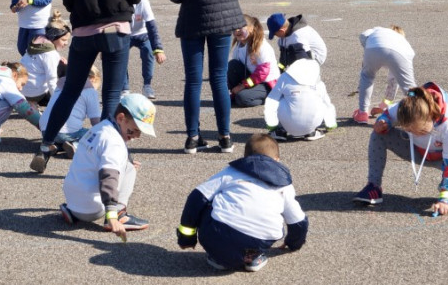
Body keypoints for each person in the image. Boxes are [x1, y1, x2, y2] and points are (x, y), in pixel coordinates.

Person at [30, 0, 143, 173]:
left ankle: (45, 145)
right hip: (116, 28)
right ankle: (114, 157)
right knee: (111, 95)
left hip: (83, 31)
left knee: (69, 92)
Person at [168, 0, 249, 154]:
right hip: (223, 22)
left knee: (193, 80)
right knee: (218, 78)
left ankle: (192, 138)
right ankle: (225, 137)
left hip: (193, 21)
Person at [176, 133, 307, 272]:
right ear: (277, 160)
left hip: (218, 234)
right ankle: (253, 257)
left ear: (246, 157)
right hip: (260, 239)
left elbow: (196, 198)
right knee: (268, 225)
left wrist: (186, 238)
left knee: (209, 201)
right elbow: (298, 221)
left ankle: (218, 257)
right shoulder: (284, 186)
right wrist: (294, 243)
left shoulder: (231, 172)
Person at [353, 82, 448, 217]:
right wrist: (383, 122)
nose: (415, 133)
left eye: (420, 130)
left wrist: (445, 199)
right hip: (417, 150)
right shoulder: (406, 107)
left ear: (430, 115)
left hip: (445, 158)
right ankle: (373, 186)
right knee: (378, 134)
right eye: (408, 130)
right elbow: (387, 114)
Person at [58, 93, 157, 241]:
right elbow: (108, 176)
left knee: (125, 164)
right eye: (135, 130)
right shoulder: (115, 142)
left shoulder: (99, 128)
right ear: (121, 118)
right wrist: (111, 215)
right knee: (129, 169)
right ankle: (120, 214)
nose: (137, 136)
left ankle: (73, 211)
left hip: (73, 199)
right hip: (94, 208)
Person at [353, 25, 416, 124]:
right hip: (401, 54)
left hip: (374, 47)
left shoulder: (378, 30)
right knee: (410, 89)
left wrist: (367, 50)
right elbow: (393, 82)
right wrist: (383, 106)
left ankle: (363, 113)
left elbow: (363, 35)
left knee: (367, 76)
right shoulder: (406, 46)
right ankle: (418, 112)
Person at [264, 58, 337, 141]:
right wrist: (330, 123)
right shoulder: (317, 80)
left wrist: (271, 123)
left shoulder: (285, 77)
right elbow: (326, 103)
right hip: (312, 124)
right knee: (320, 99)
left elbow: (272, 99)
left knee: (279, 97)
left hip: (288, 125)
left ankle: (280, 131)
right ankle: (311, 132)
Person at [40, 66, 102, 157]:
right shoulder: (90, 91)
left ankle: (55, 146)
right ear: (93, 79)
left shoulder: (61, 85)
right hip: (67, 132)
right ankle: (75, 145)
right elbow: (95, 122)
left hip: (46, 130)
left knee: (62, 136)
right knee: (93, 136)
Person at [20, 10, 71, 106]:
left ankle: (30, 103)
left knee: (60, 64)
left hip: (23, 90)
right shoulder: (50, 54)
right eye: (63, 40)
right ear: (54, 37)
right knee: (65, 69)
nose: (66, 43)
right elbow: (51, 79)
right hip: (36, 93)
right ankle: (41, 101)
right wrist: (57, 101)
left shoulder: (37, 43)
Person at [228, 14, 279, 108]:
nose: (236, 31)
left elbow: (263, 73)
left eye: (240, 28)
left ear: (251, 28)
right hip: (252, 79)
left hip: (266, 84)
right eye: (234, 28)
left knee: (242, 98)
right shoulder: (239, 45)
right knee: (231, 66)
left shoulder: (261, 45)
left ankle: (268, 96)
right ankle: (241, 93)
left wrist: (242, 86)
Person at [122, 0, 167, 100]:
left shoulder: (143, 2)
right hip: (124, 34)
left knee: (148, 52)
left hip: (142, 34)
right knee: (119, 57)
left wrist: (158, 49)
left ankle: (147, 85)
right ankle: (124, 88)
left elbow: (152, 26)